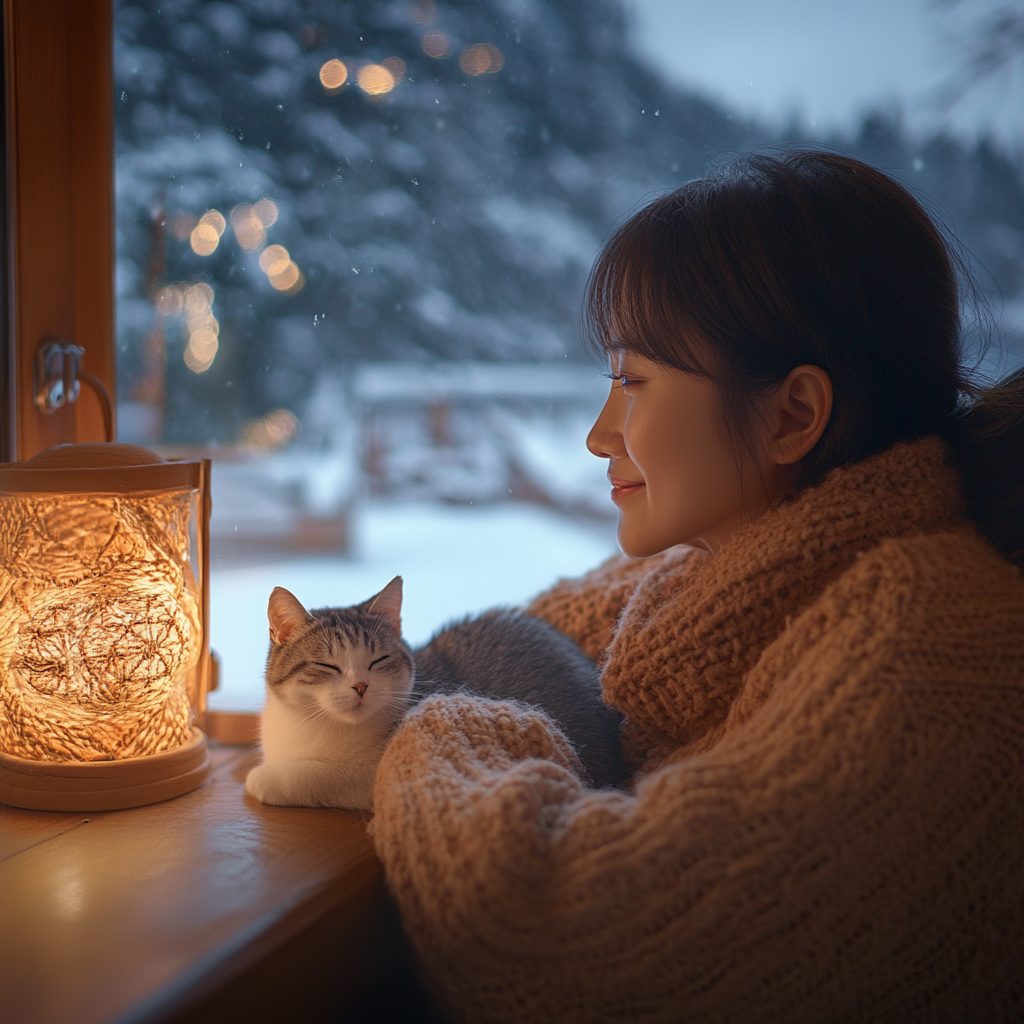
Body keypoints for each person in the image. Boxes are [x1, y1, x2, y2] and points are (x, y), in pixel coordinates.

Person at [367, 151, 1024, 1023]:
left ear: (793, 416)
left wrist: (437, 730)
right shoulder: (700, 573)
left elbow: (554, 940)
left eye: (633, 382)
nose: (601, 436)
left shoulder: (925, 649)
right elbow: (479, 655)